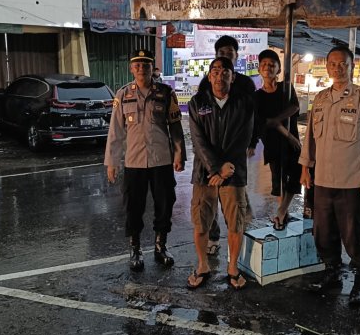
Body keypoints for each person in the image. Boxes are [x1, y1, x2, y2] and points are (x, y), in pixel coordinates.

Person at [299, 47, 360, 305]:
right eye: (333, 64)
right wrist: (305, 168)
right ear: (327, 66)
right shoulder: (321, 99)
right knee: (323, 233)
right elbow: (310, 138)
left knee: (354, 233)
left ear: (352, 66)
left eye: (342, 64)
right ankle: (332, 273)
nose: (337, 68)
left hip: (350, 181)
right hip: (322, 180)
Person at [105, 48, 186, 272]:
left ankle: (161, 247)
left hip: (161, 160)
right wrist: (112, 162)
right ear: (131, 68)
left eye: (146, 65)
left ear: (153, 68)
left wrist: (179, 153)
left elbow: (175, 126)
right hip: (134, 162)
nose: (142, 69)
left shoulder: (166, 93)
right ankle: (135, 249)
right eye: (137, 65)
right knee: (133, 206)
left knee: (165, 203)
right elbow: (116, 132)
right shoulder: (123, 95)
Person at [187, 56, 255, 290]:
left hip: (234, 173)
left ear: (232, 77)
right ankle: (203, 265)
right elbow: (198, 141)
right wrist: (216, 169)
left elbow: (243, 138)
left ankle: (233, 267)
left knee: (235, 223)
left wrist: (228, 169)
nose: (219, 75)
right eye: (215, 71)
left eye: (225, 71)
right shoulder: (198, 102)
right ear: (209, 76)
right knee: (201, 223)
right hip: (204, 173)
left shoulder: (244, 103)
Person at [197, 35, 256, 257]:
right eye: (222, 53)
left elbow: (251, 121)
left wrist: (252, 142)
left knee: (237, 197)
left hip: (235, 153)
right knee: (209, 199)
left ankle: (241, 238)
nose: (226, 56)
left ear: (236, 56)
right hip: (211, 155)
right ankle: (213, 237)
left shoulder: (246, 84)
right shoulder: (205, 84)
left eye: (230, 52)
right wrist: (212, 162)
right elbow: (199, 125)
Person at [249, 49, 302, 229]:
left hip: (291, 141)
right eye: (264, 64)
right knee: (279, 179)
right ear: (259, 69)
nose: (268, 67)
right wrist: (253, 143)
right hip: (272, 142)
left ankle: (281, 211)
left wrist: (277, 122)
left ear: (278, 69)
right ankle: (282, 212)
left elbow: (294, 107)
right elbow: (260, 122)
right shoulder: (257, 96)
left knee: (295, 175)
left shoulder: (286, 88)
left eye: (272, 65)